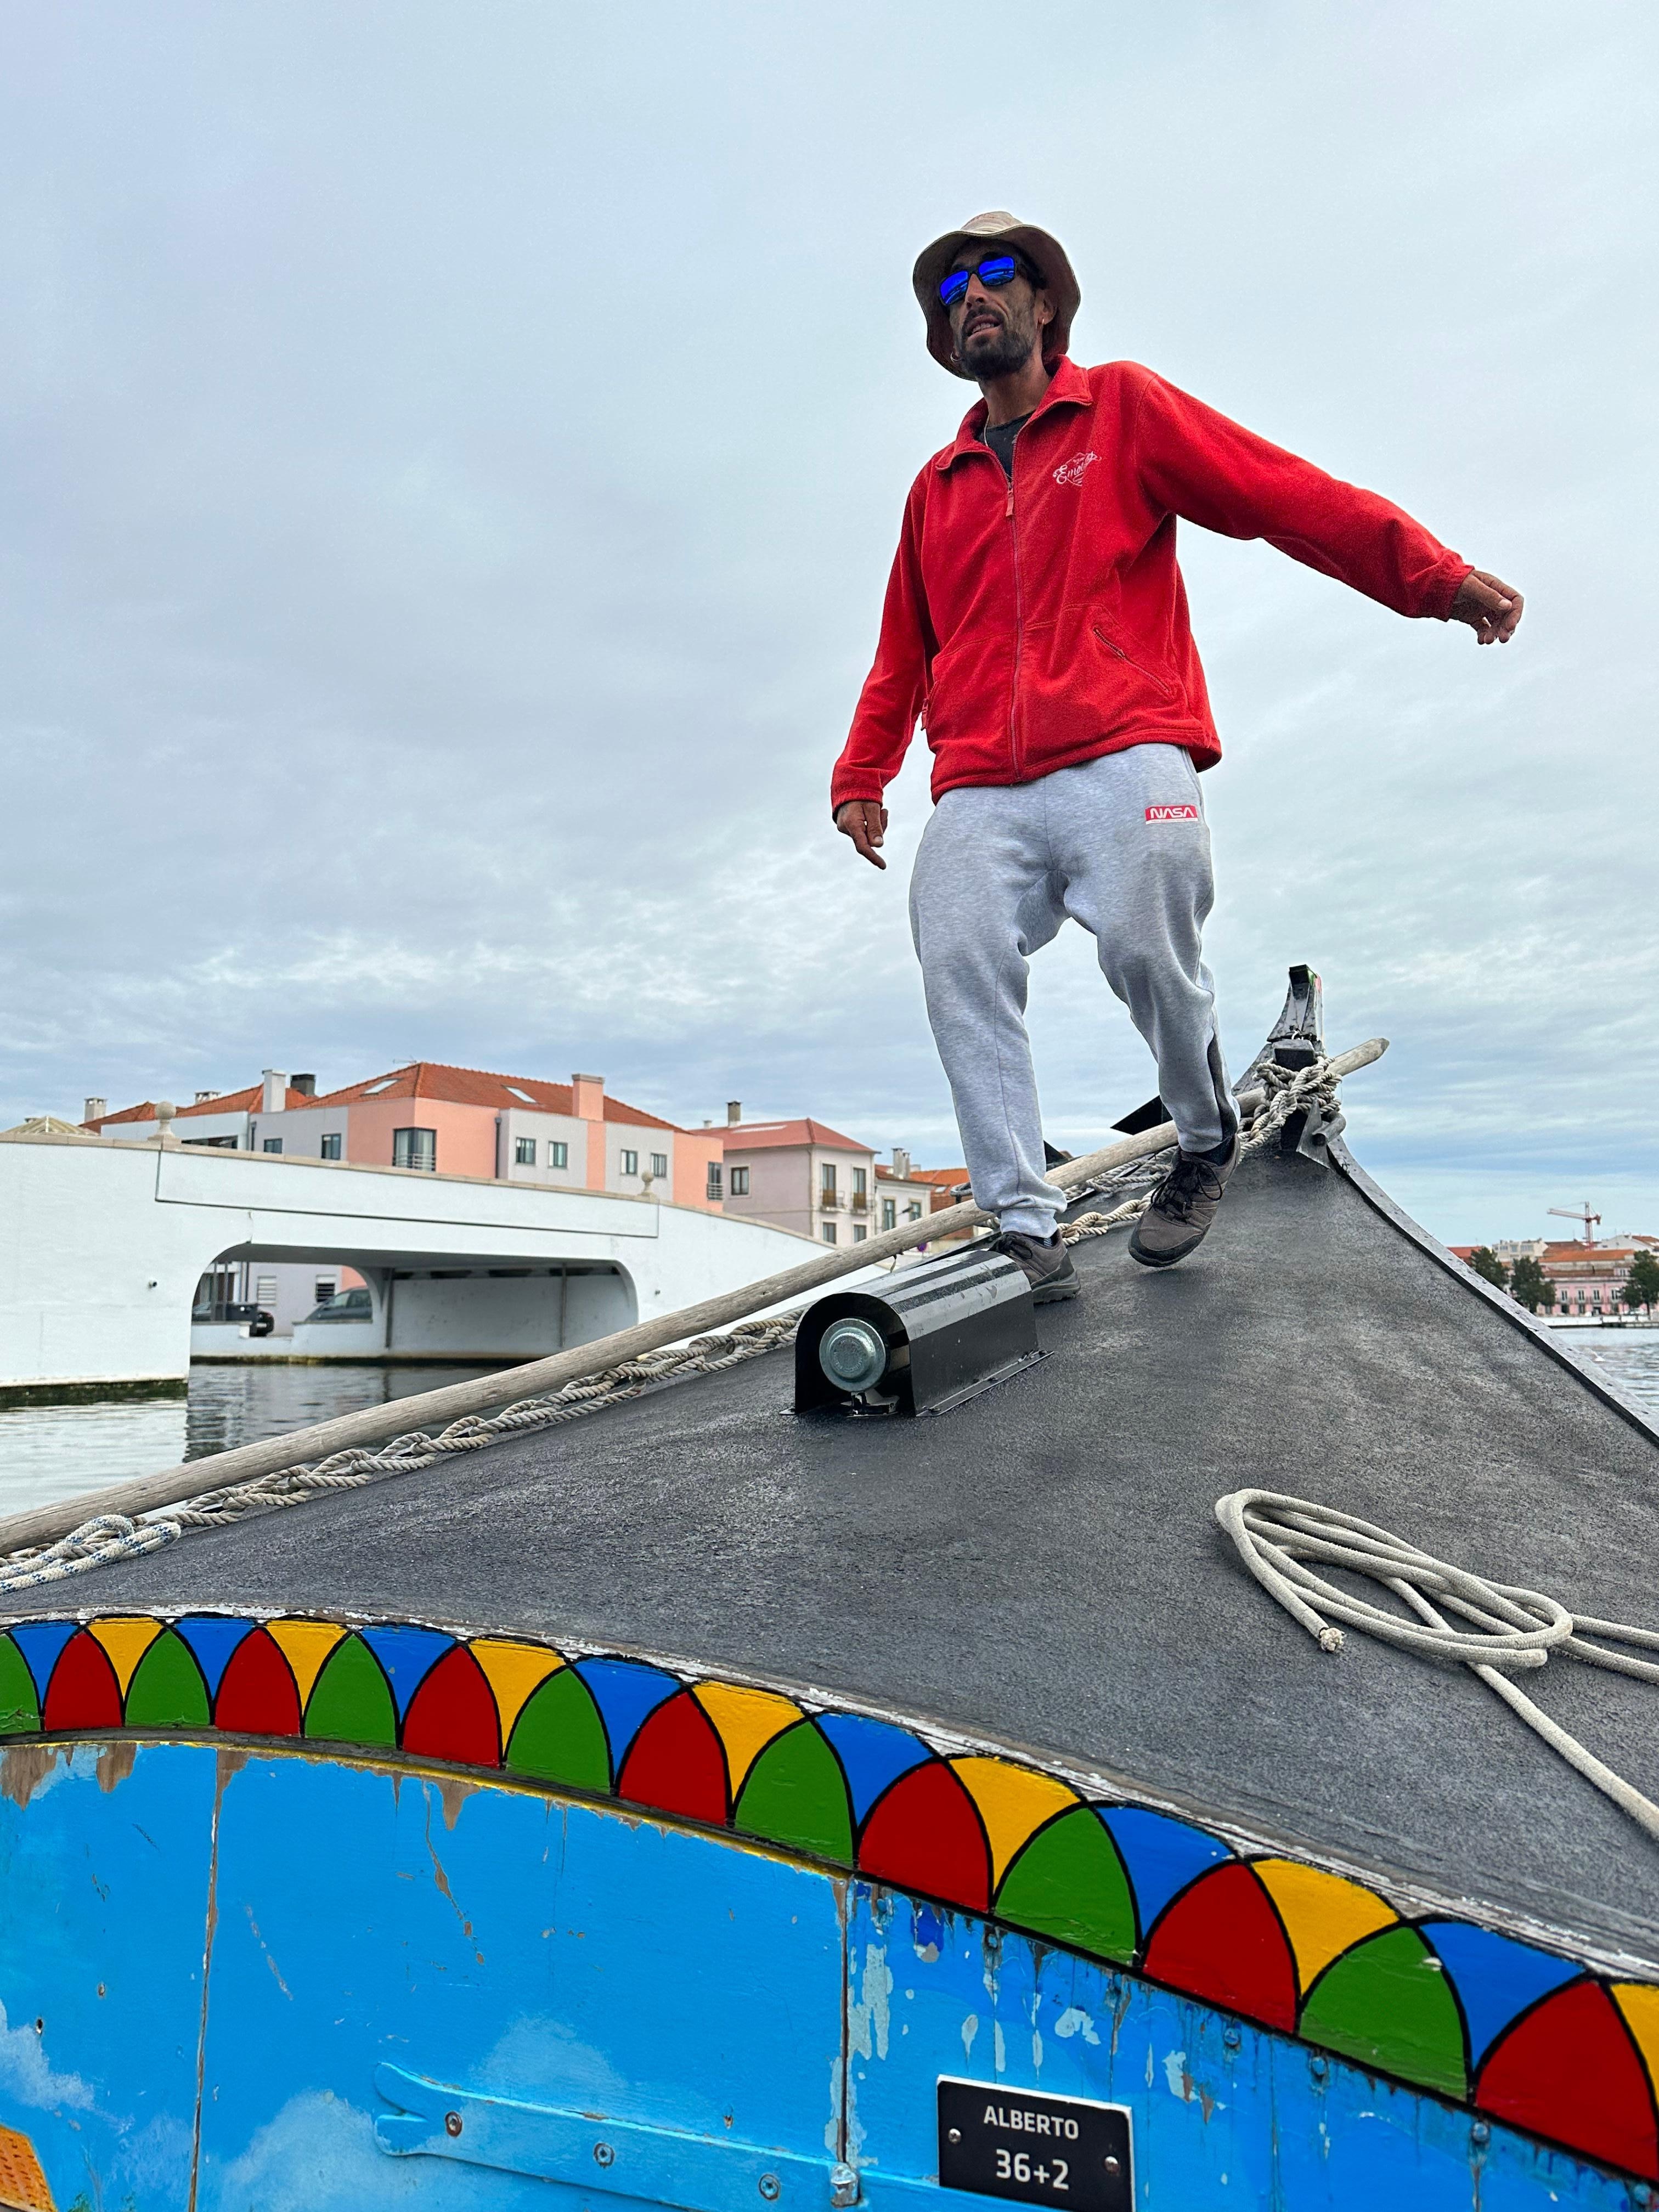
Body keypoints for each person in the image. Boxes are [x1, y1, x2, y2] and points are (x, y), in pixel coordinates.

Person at [832, 211, 1522, 1301]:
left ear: (1045, 304)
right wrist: (862, 775)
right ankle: (1020, 1221)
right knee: (957, 948)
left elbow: (1281, 493)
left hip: (1124, 748)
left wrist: (1432, 577)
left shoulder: (1126, 412)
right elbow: (900, 650)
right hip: (981, 785)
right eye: (951, 285)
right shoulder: (939, 487)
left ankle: (1203, 1138)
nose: (973, 293)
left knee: (1151, 950)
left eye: (997, 273)